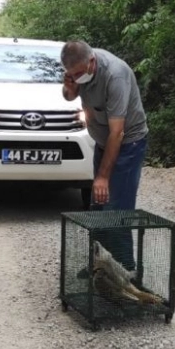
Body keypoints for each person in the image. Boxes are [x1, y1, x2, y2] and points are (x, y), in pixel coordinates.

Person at [60, 40, 149, 272]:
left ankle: (126, 272)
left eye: (79, 74)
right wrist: (69, 88)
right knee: (98, 208)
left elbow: (117, 133)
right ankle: (99, 266)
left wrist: (102, 177)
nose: (76, 78)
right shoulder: (77, 71)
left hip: (128, 144)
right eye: (71, 74)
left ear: (91, 62)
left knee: (116, 212)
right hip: (103, 143)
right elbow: (69, 96)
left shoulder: (115, 75)